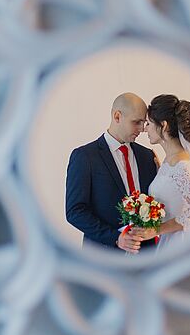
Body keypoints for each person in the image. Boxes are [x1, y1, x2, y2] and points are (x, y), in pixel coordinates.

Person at [65, 93, 158, 253]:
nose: (142, 129)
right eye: (136, 122)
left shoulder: (147, 156)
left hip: (146, 255)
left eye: (144, 123)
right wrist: (115, 237)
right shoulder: (84, 156)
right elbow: (75, 211)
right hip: (104, 257)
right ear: (117, 116)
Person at [131, 94, 190, 251]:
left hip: (181, 242)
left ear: (164, 126)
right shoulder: (169, 161)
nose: (145, 129)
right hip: (169, 239)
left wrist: (156, 230)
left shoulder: (184, 166)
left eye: (149, 123)